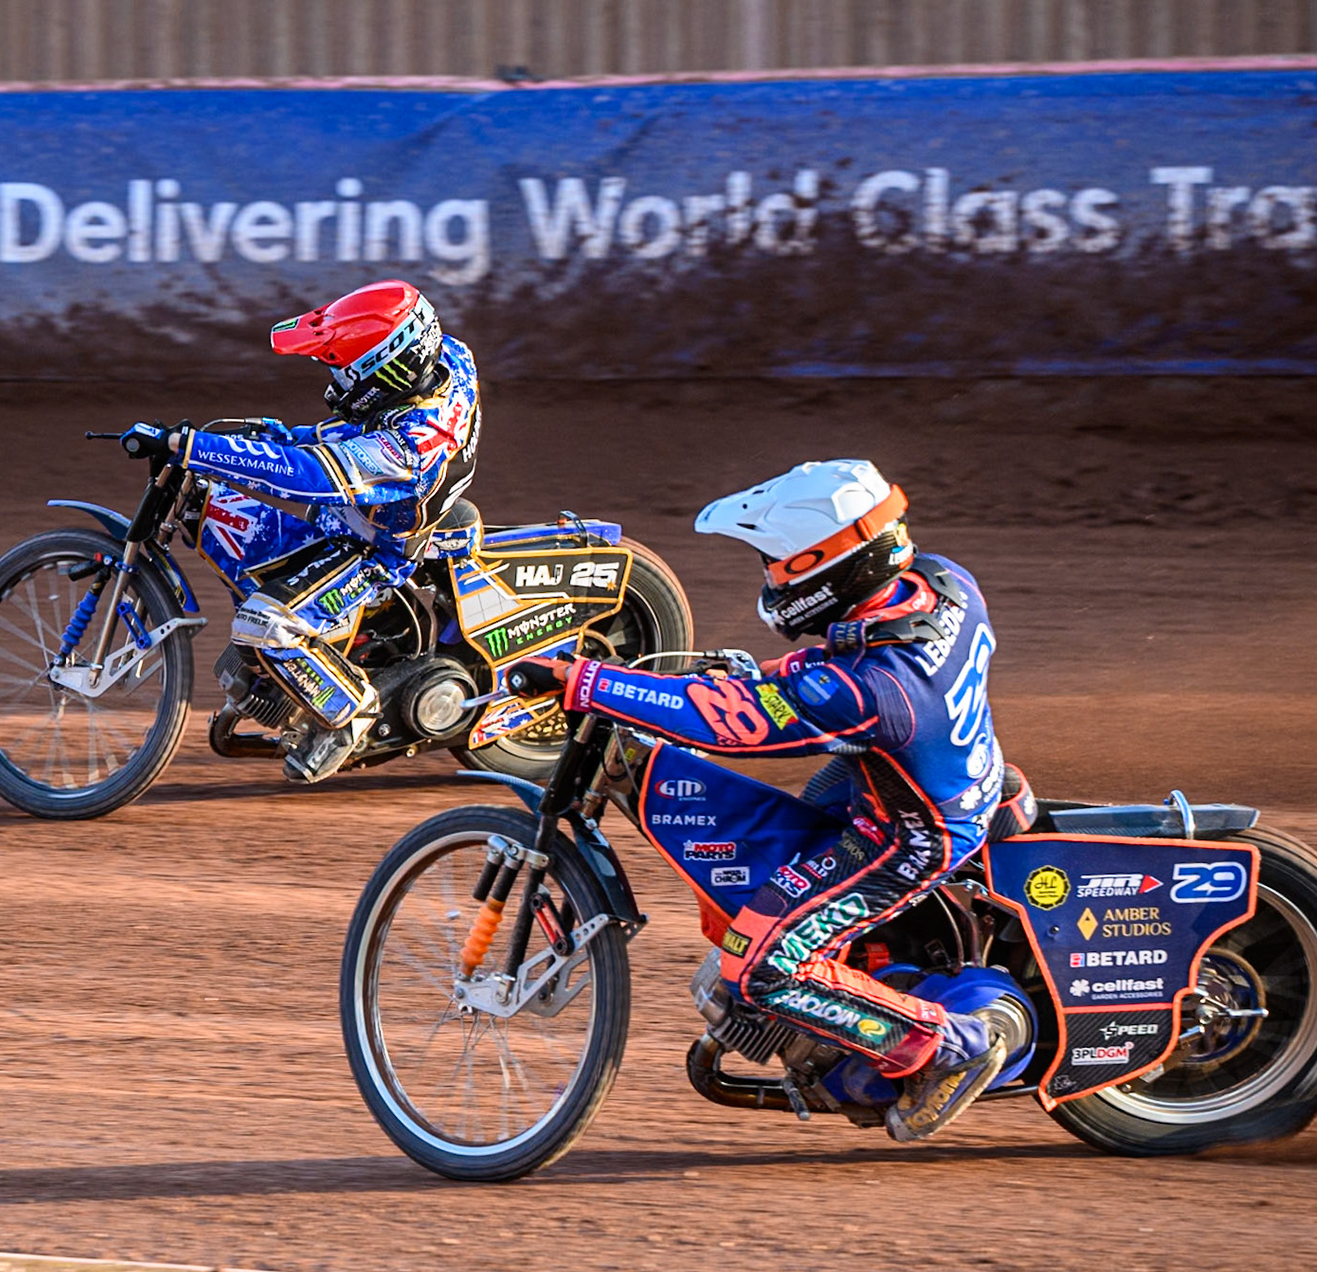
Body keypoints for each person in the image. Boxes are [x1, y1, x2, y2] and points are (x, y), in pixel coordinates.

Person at [516, 460, 1021, 1141]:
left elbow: (730, 721)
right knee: (807, 801)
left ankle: (952, 1043)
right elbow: (842, 660)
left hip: (910, 836)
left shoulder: (875, 692)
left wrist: (586, 680)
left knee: (762, 964)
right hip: (943, 773)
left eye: (781, 564)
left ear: (832, 563)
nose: (772, 577)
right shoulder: (942, 581)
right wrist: (775, 673)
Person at [137, 279, 480, 782]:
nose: (336, 380)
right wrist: (265, 433)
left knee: (263, 623)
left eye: (345, 370)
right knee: (241, 491)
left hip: (373, 548)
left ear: (387, 372)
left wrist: (198, 448)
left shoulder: (408, 449)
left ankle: (350, 717)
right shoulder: (449, 358)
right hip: (365, 500)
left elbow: (310, 477)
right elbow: (333, 438)